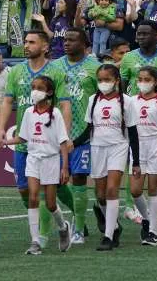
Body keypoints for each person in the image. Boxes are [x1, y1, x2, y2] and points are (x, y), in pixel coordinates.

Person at [0, 30, 68, 245]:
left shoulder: (56, 71)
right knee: (25, 191)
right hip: (28, 142)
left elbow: (65, 104)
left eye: (31, 42)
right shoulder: (15, 71)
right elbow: (7, 101)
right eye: (25, 41)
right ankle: (40, 233)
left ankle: (43, 235)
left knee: (48, 198)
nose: (26, 45)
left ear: (45, 46)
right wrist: (0, 132)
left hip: (49, 144)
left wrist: (66, 137)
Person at [5, 75, 72, 255]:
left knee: (50, 203)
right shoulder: (28, 112)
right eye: (33, 87)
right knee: (33, 197)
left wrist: (64, 167)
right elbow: (22, 137)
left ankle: (63, 226)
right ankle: (35, 242)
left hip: (51, 160)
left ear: (49, 92)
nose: (35, 91)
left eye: (40, 88)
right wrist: (4, 142)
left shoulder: (55, 113)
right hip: (33, 159)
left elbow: (63, 141)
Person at [55, 28, 100, 244]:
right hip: (57, 134)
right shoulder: (55, 66)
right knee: (56, 183)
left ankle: (79, 229)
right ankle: (78, 212)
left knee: (79, 178)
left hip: (84, 134)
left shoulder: (96, 68)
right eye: (65, 39)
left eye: (72, 40)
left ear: (85, 44)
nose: (67, 43)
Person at [88, 64, 140, 251]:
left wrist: (136, 161)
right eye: (100, 80)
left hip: (118, 147)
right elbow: (89, 129)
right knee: (100, 194)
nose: (103, 83)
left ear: (116, 80)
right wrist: (72, 143)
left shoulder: (126, 101)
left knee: (111, 190)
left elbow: (133, 132)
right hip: (97, 148)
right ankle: (115, 226)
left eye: (107, 79)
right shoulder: (92, 100)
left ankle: (108, 236)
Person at [131, 67, 157, 246]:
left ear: (155, 81)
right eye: (139, 79)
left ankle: (153, 232)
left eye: (146, 79)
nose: (142, 82)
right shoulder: (132, 101)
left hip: (156, 145)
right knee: (135, 190)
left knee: (154, 187)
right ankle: (147, 219)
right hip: (137, 146)